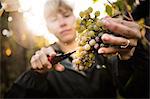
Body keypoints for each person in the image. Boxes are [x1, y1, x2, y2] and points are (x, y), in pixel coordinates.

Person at [4, 0, 148, 98]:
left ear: (74, 18)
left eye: (66, 15)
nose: (62, 23)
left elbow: (135, 92)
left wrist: (132, 56)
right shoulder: (46, 63)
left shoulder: (103, 49)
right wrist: (36, 76)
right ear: (47, 27)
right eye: (54, 19)